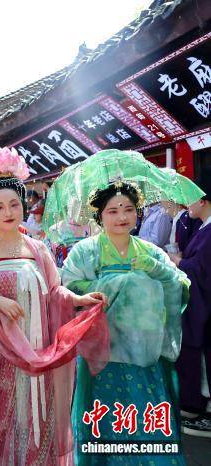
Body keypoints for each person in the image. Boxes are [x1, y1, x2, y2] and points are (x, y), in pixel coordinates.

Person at [0, 146, 108, 465]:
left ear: (24, 205)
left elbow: (54, 291)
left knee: (37, 409)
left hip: (37, 345)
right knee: (3, 410)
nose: (8, 212)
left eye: (14, 204)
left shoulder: (38, 249)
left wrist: (79, 299)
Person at [62, 180, 189, 464]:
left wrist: (157, 270)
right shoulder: (85, 252)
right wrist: (112, 285)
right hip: (103, 348)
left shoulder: (151, 251)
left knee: (146, 410)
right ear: (100, 216)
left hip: (145, 348)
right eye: (113, 211)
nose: (122, 217)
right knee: (106, 412)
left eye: (129, 209)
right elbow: (69, 287)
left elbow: (179, 285)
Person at [168, 172, 211, 436]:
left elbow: (202, 270)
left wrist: (179, 262)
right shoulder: (203, 227)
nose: (187, 204)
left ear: (203, 200)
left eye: (190, 198)